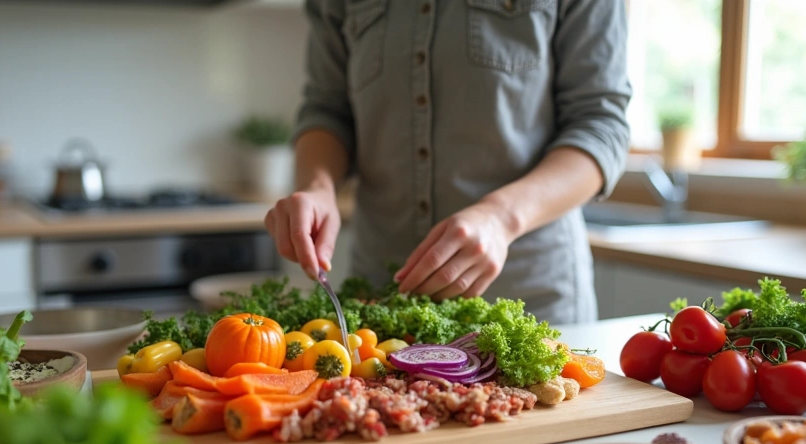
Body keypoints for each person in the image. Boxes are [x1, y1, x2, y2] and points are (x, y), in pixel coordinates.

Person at [264, 0, 631, 325]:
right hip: (379, 302)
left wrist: (500, 217)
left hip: (530, 301)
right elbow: (327, 110)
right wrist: (318, 187)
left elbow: (600, 125)